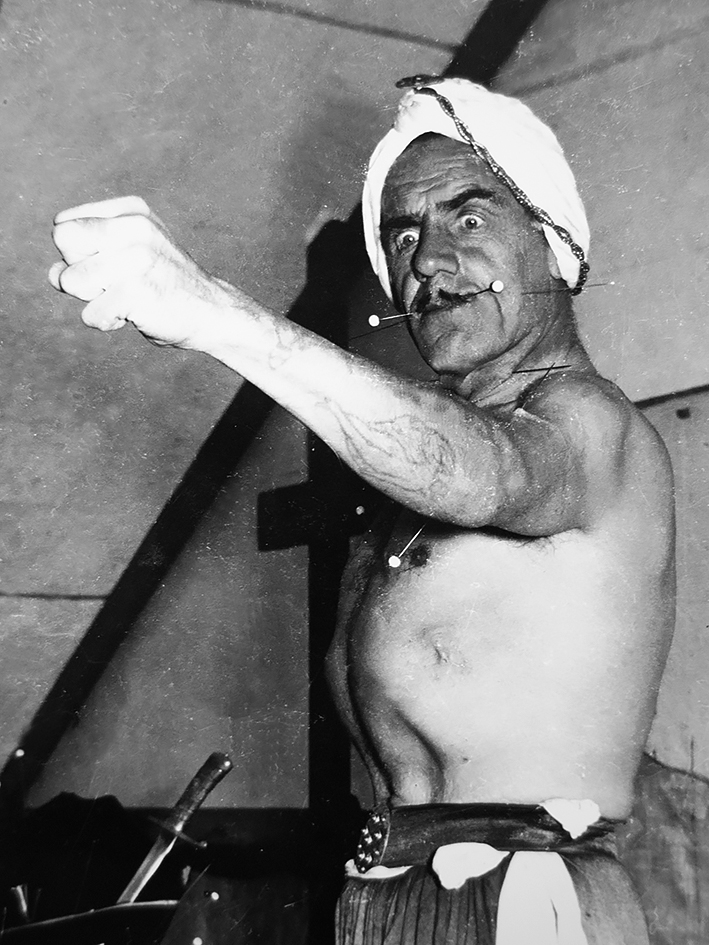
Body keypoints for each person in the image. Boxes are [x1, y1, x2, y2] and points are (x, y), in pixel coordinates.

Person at [49, 77, 675, 944]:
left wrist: (210, 311)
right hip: (397, 895)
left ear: (553, 239)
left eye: (468, 218)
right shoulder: (410, 484)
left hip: (530, 900)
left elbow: (482, 474)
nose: (428, 261)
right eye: (403, 236)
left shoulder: (588, 424)